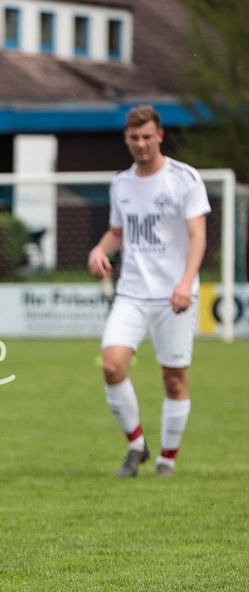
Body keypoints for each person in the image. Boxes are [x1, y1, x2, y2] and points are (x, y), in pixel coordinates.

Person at [87, 105, 209, 478]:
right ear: (126, 138)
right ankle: (136, 444)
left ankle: (167, 460)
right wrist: (98, 250)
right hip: (132, 294)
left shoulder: (184, 179)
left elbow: (198, 235)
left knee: (174, 380)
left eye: (147, 136)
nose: (141, 144)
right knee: (112, 366)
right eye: (134, 137)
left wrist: (186, 283)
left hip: (174, 295)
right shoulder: (121, 183)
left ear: (160, 136)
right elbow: (118, 233)